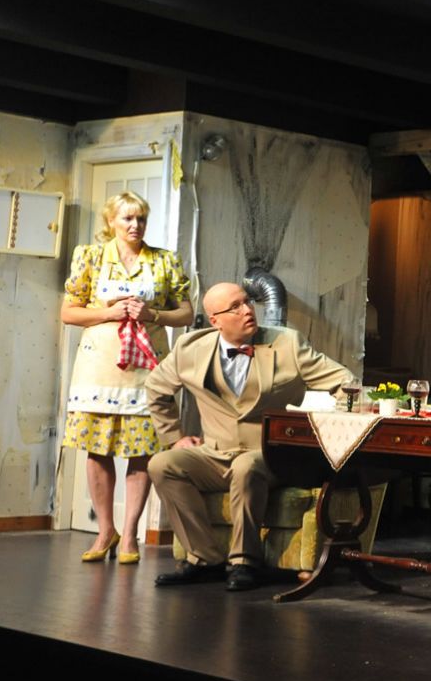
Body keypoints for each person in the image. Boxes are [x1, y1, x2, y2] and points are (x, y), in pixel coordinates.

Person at [145, 282, 351, 591]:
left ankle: (245, 562)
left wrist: (325, 429)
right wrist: (175, 437)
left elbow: (345, 382)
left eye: (247, 302)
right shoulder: (190, 348)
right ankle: (205, 558)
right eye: (235, 307)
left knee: (246, 466)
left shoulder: (287, 344)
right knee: (162, 465)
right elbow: (155, 388)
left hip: (271, 455)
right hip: (216, 453)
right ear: (215, 320)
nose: (247, 310)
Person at [61, 192, 193, 565]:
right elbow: (69, 313)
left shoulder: (164, 261)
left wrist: (153, 314)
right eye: (128, 219)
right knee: (97, 448)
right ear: (111, 221)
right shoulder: (90, 256)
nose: (135, 226)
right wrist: (109, 313)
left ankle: (130, 534)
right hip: (99, 367)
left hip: (147, 370)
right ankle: (106, 531)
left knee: (142, 450)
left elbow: (186, 313)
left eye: (141, 219)